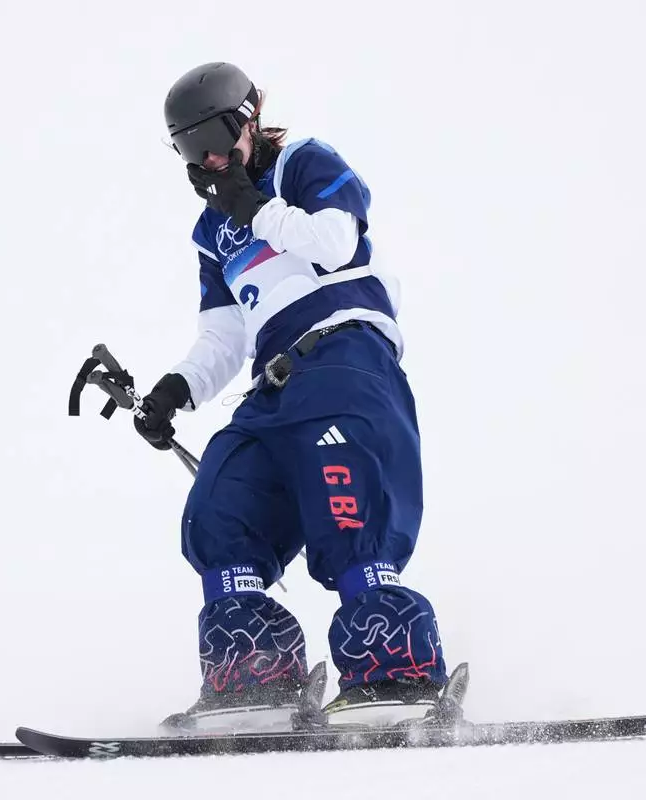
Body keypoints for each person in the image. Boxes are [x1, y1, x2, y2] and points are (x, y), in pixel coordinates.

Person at [135, 61, 448, 731]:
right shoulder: (212, 233)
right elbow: (224, 336)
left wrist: (255, 207)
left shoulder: (303, 164)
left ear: (248, 119)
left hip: (342, 357)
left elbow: (334, 243)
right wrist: (174, 391)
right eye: (189, 148)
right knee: (220, 506)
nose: (209, 158)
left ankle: (394, 671)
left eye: (215, 136)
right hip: (273, 383)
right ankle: (254, 677)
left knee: (346, 512)